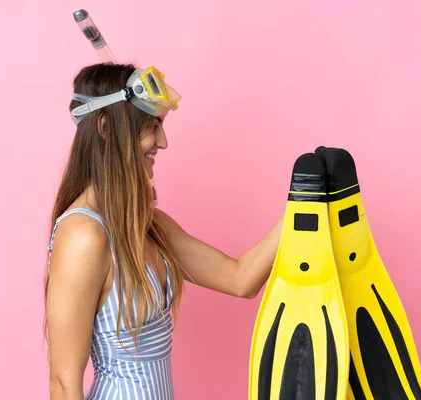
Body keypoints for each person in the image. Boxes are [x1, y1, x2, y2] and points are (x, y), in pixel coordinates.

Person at [44, 62, 284, 400]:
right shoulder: (84, 236)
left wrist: (304, 202)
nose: (163, 141)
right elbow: (63, 383)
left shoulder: (149, 225)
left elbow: (240, 278)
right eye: (151, 126)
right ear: (105, 128)